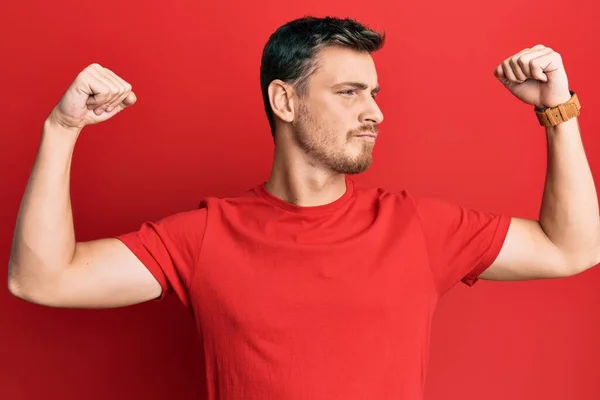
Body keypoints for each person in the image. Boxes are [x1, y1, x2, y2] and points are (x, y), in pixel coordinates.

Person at [7, 15, 599, 400]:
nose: (376, 112)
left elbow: (573, 247)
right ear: (284, 100)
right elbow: (41, 279)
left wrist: (557, 111)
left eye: (374, 93)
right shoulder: (206, 235)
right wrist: (62, 128)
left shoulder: (417, 228)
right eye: (349, 92)